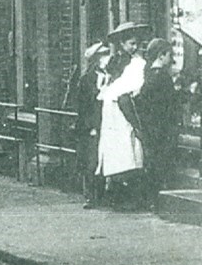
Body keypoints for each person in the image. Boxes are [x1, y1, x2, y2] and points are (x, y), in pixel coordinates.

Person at [95, 22, 149, 210]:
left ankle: (129, 197)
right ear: (122, 44)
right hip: (113, 114)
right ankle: (118, 195)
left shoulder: (137, 64)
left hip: (123, 113)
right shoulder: (114, 63)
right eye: (130, 44)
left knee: (129, 154)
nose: (134, 48)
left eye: (136, 44)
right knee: (117, 154)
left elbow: (133, 88)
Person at [136, 37, 180, 209]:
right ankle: (160, 201)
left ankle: (152, 200)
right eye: (169, 55)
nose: (171, 59)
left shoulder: (148, 76)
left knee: (153, 163)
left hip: (151, 128)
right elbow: (170, 102)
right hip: (163, 129)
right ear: (161, 56)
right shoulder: (162, 77)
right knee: (163, 163)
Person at [75, 42, 111, 208]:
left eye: (107, 54)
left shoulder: (111, 76)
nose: (106, 58)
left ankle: (104, 194)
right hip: (92, 126)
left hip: (108, 124)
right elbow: (83, 107)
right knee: (92, 160)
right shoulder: (87, 80)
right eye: (103, 55)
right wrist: (90, 127)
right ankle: (91, 195)